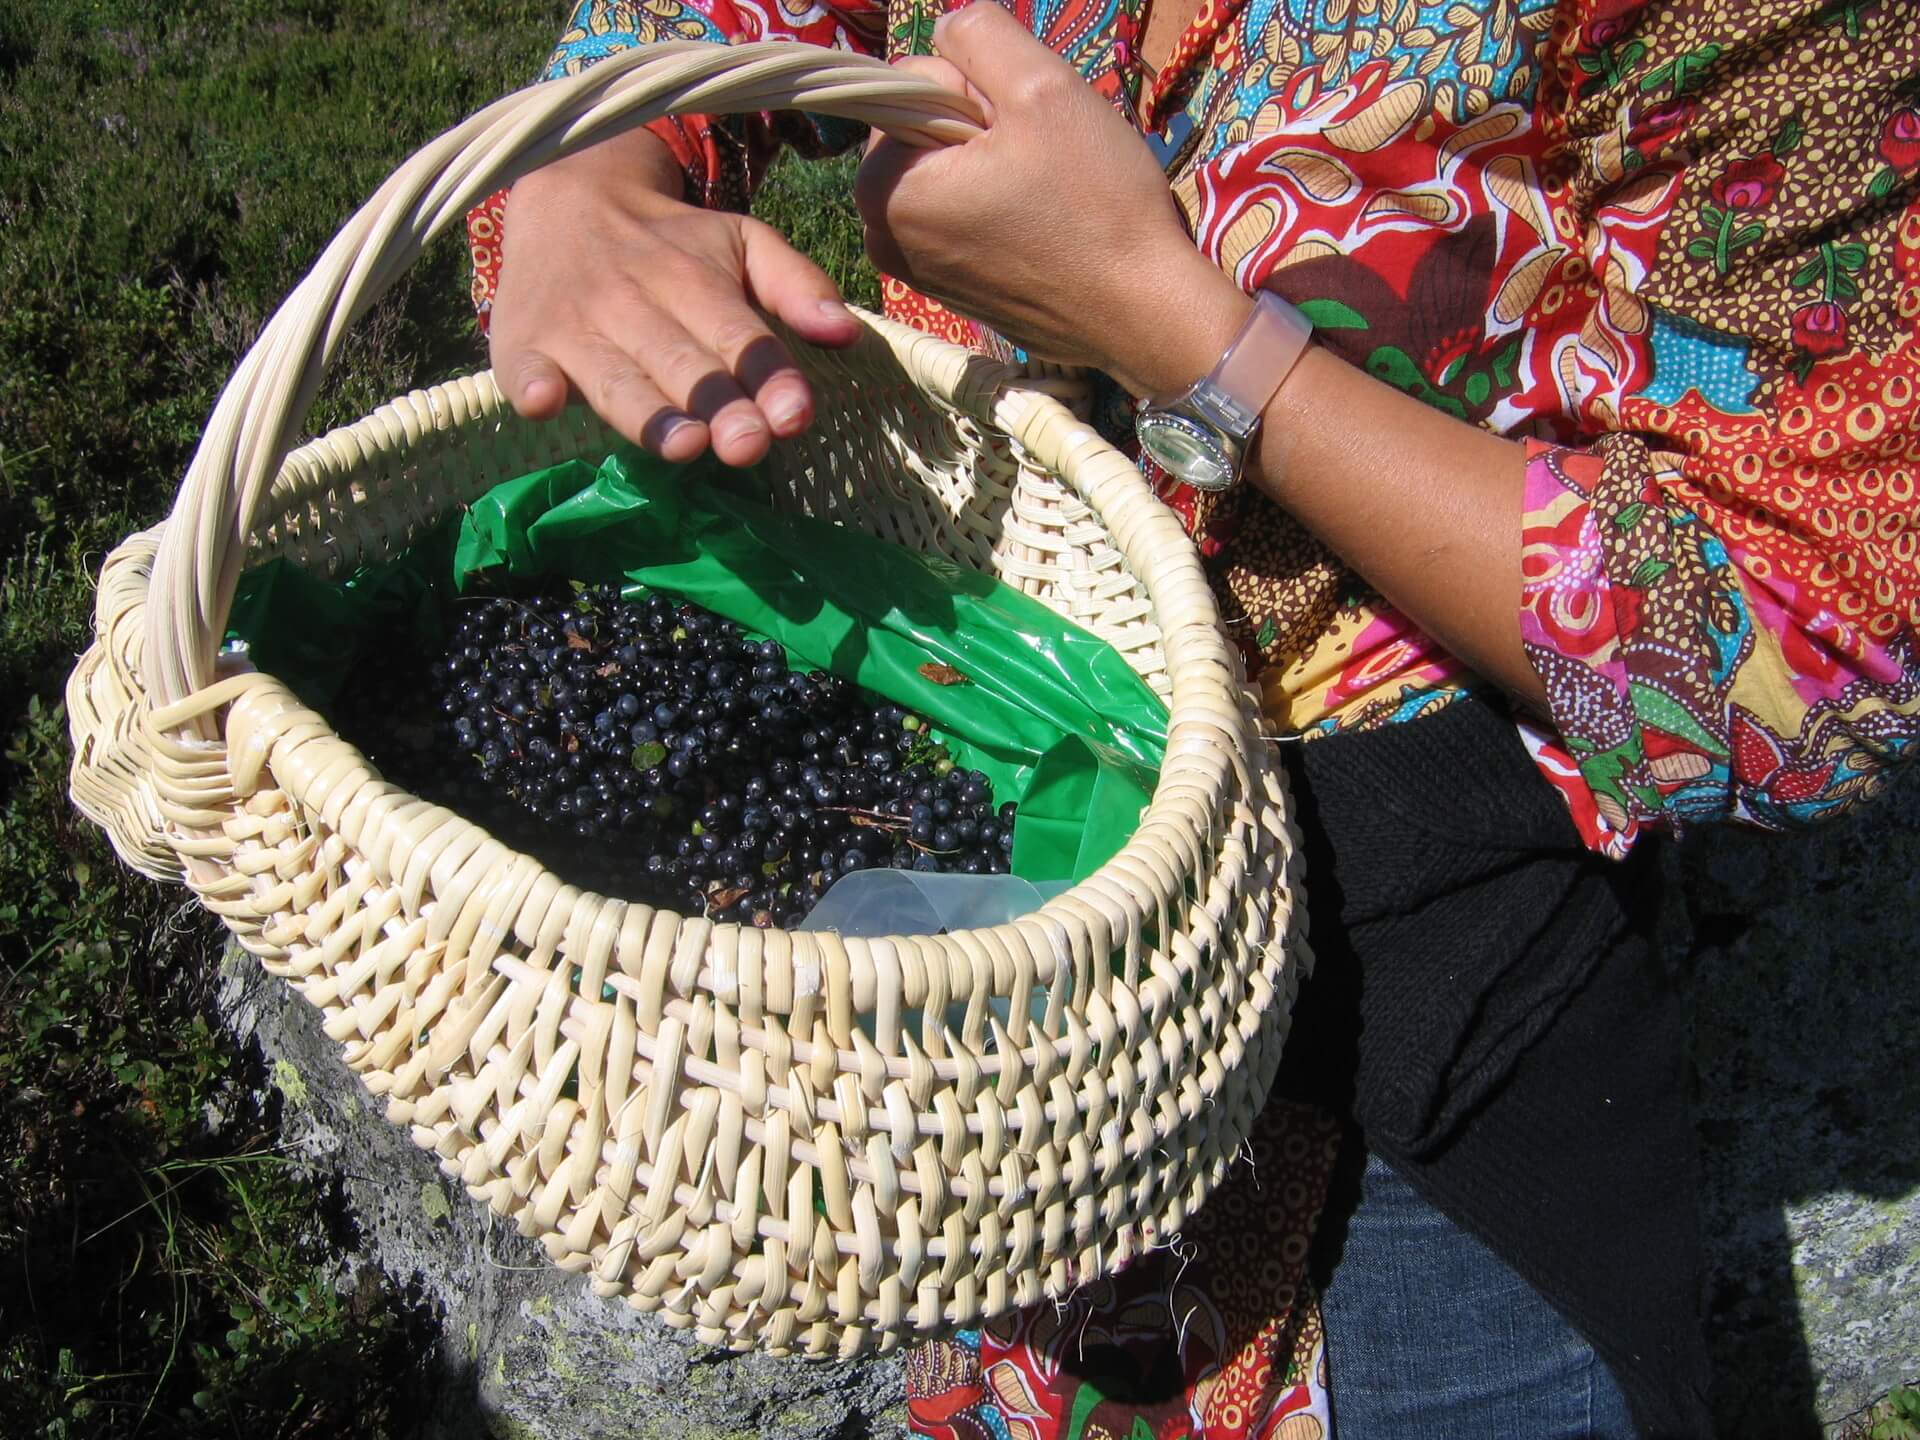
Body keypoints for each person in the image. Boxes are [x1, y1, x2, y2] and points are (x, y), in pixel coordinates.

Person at [467, 1, 1920, 1434]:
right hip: (1012, 988)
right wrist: (589, 172)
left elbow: (1806, 667)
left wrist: (1172, 327)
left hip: (1410, 1077)